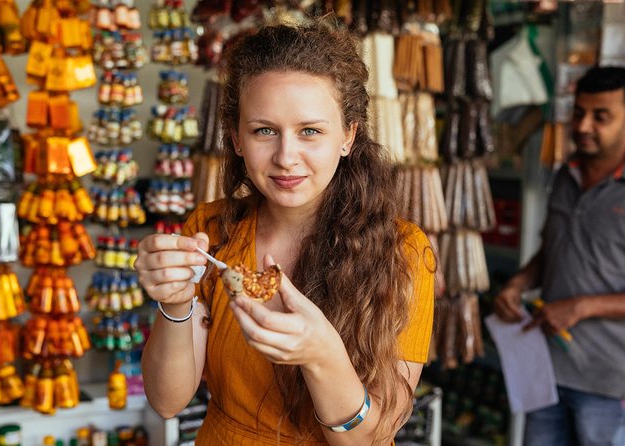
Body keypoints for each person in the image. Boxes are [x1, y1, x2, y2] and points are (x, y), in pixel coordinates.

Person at [134, 19, 435, 446]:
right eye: (264, 131)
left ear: (348, 136)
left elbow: (369, 439)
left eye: (310, 131)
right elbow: (167, 401)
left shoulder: (403, 252)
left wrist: (322, 356)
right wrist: (174, 302)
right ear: (237, 138)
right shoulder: (210, 232)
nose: (286, 157)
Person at [494, 65, 625, 446]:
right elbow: (554, 250)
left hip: (609, 381)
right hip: (546, 369)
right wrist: (519, 283)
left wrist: (581, 306)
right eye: (580, 113)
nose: (584, 126)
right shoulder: (565, 176)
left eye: (601, 117)